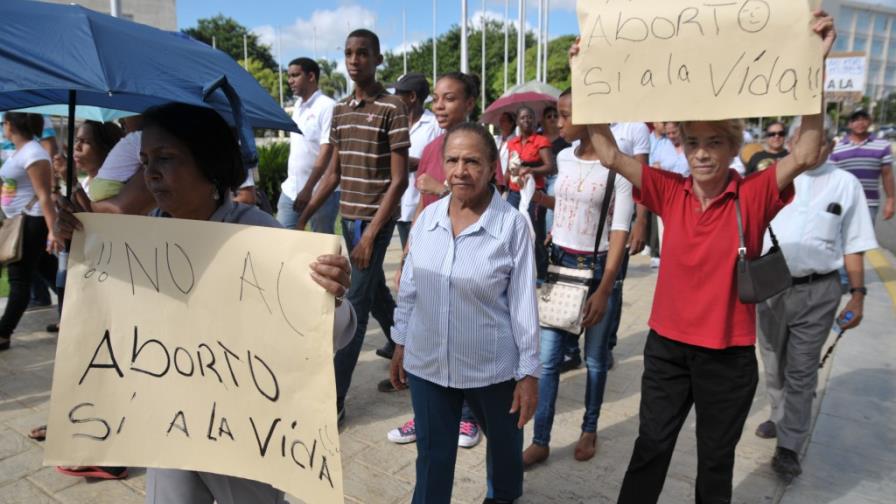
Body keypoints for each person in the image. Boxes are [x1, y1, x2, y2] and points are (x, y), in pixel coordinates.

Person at [569, 10, 835, 502]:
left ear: (732, 146)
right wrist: (584, 78)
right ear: (683, 147)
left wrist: (813, 68)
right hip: (667, 351)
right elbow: (606, 151)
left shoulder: (751, 195)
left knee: (715, 462)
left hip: (728, 358)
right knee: (651, 449)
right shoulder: (669, 190)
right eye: (694, 143)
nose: (704, 153)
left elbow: (806, 151)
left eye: (715, 142)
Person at [54, 101, 356, 504]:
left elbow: (332, 335)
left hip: (244, 428)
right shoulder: (137, 240)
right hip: (168, 419)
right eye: (145, 161)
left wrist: (329, 297)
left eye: (166, 158)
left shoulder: (259, 233)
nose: (151, 173)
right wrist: (82, 247)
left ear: (208, 162)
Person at [389, 122, 539, 504]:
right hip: (428, 365)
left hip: (492, 368)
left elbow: (523, 305)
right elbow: (410, 287)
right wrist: (400, 341)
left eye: (472, 161)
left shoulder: (511, 227)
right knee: (433, 458)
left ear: (492, 168)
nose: (460, 171)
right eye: (453, 160)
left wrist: (528, 374)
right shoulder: (428, 220)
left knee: (505, 453)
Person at [755, 117, 878, 482]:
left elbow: (854, 245)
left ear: (829, 145)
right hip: (770, 288)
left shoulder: (845, 184)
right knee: (774, 362)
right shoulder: (770, 178)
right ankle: (779, 416)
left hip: (819, 291)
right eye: (800, 139)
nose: (809, 147)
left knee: (802, 369)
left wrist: (857, 295)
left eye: (818, 141)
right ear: (791, 143)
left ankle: (790, 445)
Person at [298, 29, 410, 421]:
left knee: (355, 306)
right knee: (375, 292)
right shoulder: (341, 110)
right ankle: (408, 347)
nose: (354, 59)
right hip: (350, 220)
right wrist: (305, 214)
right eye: (348, 53)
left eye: (363, 53)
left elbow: (399, 181)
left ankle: (335, 400)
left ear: (378, 58)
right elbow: (334, 173)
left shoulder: (392, 108)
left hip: (372, 224)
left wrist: (373, 235)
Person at [523, 88, 633, 467]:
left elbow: (619, 230)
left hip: (598, 269)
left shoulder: (618, 167)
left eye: (566, 115)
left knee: (596, 360)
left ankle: (589, 428)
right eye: (557, 114)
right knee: (548, 360)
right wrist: (539, 200)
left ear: (591, 119)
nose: (558, 122)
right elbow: (570, 203)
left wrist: (605, 288)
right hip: (560, 266)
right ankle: (541, 439)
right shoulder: (564, 158)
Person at [385, 71, 486, 449]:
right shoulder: (430, 147)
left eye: (450, 99)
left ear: (470, 103)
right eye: (437, 100)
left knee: (463, 335)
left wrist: (443, 187)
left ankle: (467, 417)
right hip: (430, 254)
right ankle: (425, 415)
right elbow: (425, 211)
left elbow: (489, 200)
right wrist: (408, 253)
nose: (440, 106)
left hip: (470, 257)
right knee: (426, 335)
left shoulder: (483, 146)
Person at [0, 113, 59, 351]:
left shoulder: (33, 153)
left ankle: (3, 333)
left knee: (19, 278)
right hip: (20, 221)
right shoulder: (20, 151)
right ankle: (77, 308)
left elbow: (44, 195)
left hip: (30, 222)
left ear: (11, 124)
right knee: (50, 271)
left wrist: (53, 230)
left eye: (3, 123)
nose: (3, 127)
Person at [278, 57, 339, 232]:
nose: (290, 81)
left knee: (319, 244)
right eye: (289, 76)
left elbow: (326, 150)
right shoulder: (297, 106)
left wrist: (308, 188)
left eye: (295, 75)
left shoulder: (327, 106)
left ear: (311, 76)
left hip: (321, 191)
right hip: (291, 189)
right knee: (283, 239)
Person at [506, 105, 556, 280]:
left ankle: (541, 272)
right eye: (522, 118)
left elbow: (550, 167)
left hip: (534, 193)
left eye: (529, 117)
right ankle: (517, 269)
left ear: (535, 120)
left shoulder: (541, 141)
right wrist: (508, 176)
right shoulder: (512, 142)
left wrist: (530, 170)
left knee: (535, 232)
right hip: (514, 191)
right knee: (511, 229)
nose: (526, 121)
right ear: (517, 121)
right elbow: (509, 167)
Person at [394, 73, 442, 249]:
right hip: (399, 207)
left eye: (398, 93)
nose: (394, 98)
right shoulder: (395, 123)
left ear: (412, 97)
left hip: (424, 208)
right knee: (407, 259)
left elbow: (440, 164)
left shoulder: (435, 125)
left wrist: (410, 163)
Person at [829, 109, 895, 223]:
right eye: (855, 120)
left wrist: (890, 200)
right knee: (838, 238)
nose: (860, 123)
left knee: (865, 239)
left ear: (869, 122)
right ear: (849, 124)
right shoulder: (837, 147)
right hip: (842, 201)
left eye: (864, 119)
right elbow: (831, 177)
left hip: (869, 203)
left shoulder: (882, 145)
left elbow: (887, 175)